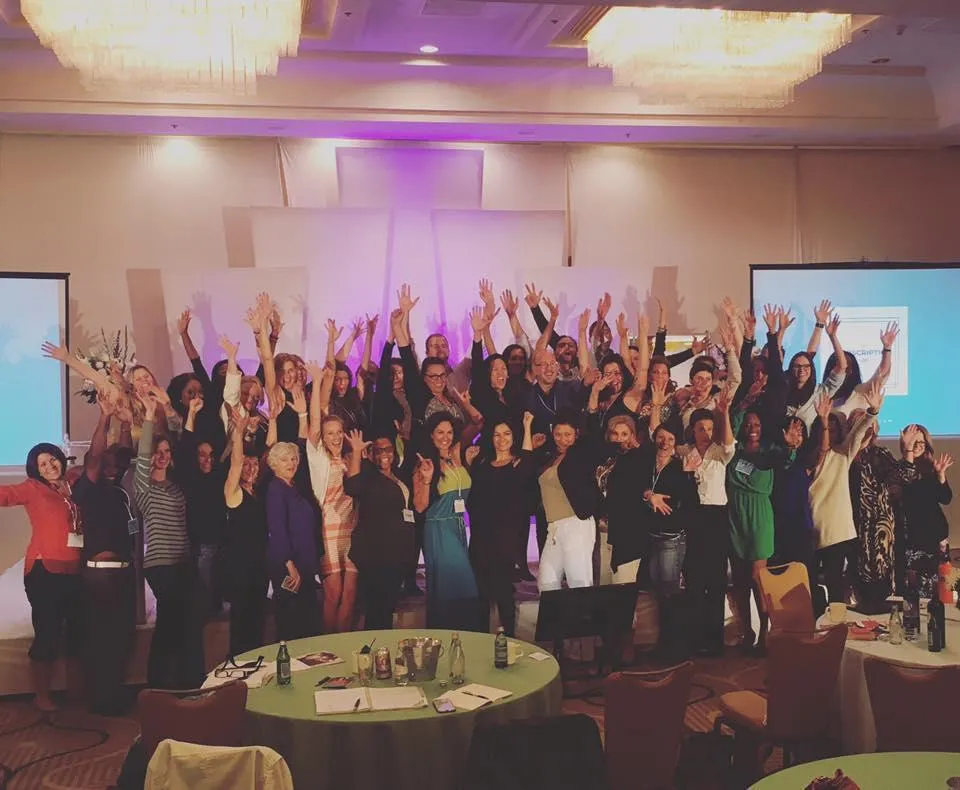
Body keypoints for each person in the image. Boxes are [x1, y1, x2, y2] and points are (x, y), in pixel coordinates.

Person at [0, 442, 83, 711]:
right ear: (35, 470)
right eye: (42, 465)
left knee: (76, 632)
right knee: (47, 632)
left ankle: (74, 690)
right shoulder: (32, 488)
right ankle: (42, 695)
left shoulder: (74, 481)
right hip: (43, 570)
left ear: (60, 458)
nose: (49, 467)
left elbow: (97, 461)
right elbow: (5, 495)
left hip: (74, 570)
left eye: (51, 460)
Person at [134, 394, 204, 690]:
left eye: (165, 451)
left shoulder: (177, 486)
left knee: (187, 623)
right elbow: (141, 457)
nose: (161, 456)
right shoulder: (144, 487)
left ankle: (188, 683)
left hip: (184, 562)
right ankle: (158, 685)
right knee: (167, 624)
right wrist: (150, 416)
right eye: (157, 452)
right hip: (161, 565)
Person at [72, 393, 137, 714]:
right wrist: (104, 417)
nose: (112, 467)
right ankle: (98, 698)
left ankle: (112, 695)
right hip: (100, 574)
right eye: (106, 464)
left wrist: (126, 421)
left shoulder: (121, 491)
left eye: (116, 464)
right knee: (100, 636)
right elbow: (97, 454)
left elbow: (123, 451)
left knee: (120, 636)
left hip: (123, 573)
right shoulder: (89, 487)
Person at [726, 410, 799, 655]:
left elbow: (787, 460)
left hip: (760, 515)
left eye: (756, 424)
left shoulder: (770, 452)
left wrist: (790, 446)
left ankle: (765, 633)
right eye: (747, 424)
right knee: (739, 582)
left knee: (759, 578)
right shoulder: (733, 451)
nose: (752, 428)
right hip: (736, 514)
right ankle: (746, 631)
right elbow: (731, 423)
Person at [808, 385, 882, 607]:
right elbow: (820, 452)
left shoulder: (843, 455)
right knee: (810, 585)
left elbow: (859, 432)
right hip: (811, 530)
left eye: (833, 426)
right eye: (825, 425)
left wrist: (873, 412)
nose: (828, 429)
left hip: (837, 532)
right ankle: (815, 629)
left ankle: (837, 632)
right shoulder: (809, 457)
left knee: (835, 585)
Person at [465, 413, 536, 637]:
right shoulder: (482, 463)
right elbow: (472, 498)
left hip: (506, 537)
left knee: (504, 591)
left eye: (506, 434)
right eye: (497, 434)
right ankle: (482, 641)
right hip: (480, 536)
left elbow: (528, 460)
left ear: (513, 437)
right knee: (481, 593)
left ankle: (510, 642)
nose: (502, 439)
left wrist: (527, 425)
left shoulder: (518, 463)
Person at [677, 391, 736, 657]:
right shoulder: (684, 452)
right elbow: (659, 440)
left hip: (716, 517)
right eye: (701, 428)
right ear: (693, 430)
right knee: (694, 578)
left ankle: (714, 640)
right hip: (693, 516)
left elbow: (730, 444)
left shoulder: (720, 452)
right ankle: (694, 637)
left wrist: (724, 413)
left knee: (716, 580)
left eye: (709, 428)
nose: (705, 432)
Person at [413, 412, 482, 631]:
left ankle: (458, 641)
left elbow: (477, 422)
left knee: (453, 586)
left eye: (449, 432)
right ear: (431, 435)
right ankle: (452, 635)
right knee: (462, 584)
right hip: (438, 527)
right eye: (440, 432)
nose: (445, 437)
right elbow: (420, 506)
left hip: (458, 526)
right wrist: (425, 480)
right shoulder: (425, 464)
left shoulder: (456, 457)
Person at [638, 424, 699, 660]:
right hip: (651, 537)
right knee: (659, 593)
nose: (665, 442)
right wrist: (648, 495)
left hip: (671, 538)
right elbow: (637, 487)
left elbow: (690, 502)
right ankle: (665, 643)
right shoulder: (647, 465)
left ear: (676, 443)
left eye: (670, 438)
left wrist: (689, 475)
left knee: (671, 593)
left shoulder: (679, 467)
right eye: (661, 437)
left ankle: (676, 648)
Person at [343, 432, 415, 630]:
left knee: (388, 607)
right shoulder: (368, 475)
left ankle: (382, 654)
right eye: (379, 450)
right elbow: (352, 487)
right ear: (372, 454)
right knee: (377, 611)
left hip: (397, 553)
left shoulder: (399, 476)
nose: (384, 454)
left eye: (388, 449)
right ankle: (374, 654)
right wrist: (357, 452)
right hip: (376, 554)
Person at [850, 421, 919, 610]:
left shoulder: (880, 454)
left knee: (883, 593)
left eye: (871, 428)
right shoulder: (843, 455)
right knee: (860, 593)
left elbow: (906, 478)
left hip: (880, 534)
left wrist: (907, 452)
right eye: (861, 426)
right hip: (850, 530)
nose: (867, 432)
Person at [535, 408, 604, 592]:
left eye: (567, 434)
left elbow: (595, 438)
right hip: (554, 528)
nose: (562, 439)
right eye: (558, 434)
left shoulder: (580, 454)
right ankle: (557, 621)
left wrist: (593, 403)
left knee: (579, 584)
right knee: (546, 584)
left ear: (576, 435)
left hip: (576, 524)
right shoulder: (549, 456)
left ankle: (585, 621)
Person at [221, 423, 269, 658]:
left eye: (254, 464)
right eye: (247, 464)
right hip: (239, 569)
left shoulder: (257, 494)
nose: (250, 468)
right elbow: (236, 463)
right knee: (241, 627)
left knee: (257, 626)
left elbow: (269, 451)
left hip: (259, 569)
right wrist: (239, 433)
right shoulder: (233, 493)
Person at [307, 411, 358, 634]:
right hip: (328, 529)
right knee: (333, 592)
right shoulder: (319, 458)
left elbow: (357, 486)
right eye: (330, 433)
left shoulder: (349, 459)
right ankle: (327, 645)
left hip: (351, 528)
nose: (335, 437)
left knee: (350, 593)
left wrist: (356, 452)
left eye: (339, 432)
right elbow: (314, 429)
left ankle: (344, 644)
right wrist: (318, 382)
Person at [266, 441, 321, 640]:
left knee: (307, 621)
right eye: (285, 459)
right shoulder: (276, 489)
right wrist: (290, 566)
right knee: (290, 620)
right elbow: (277, 530)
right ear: (274, 464)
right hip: (288, 567)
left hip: (304, 564)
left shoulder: (295, 487)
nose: (291, 463)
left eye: (294, 458)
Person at [899, 426, 954, 598]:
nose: (918, 446)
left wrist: (941, 475)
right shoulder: (899, 468)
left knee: (941, 590)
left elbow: (945, 498)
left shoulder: (931, 468)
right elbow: (906, 493)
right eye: (914, 441)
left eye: (921, 442)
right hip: (914, 542)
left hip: (936, 540)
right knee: (916, 593)